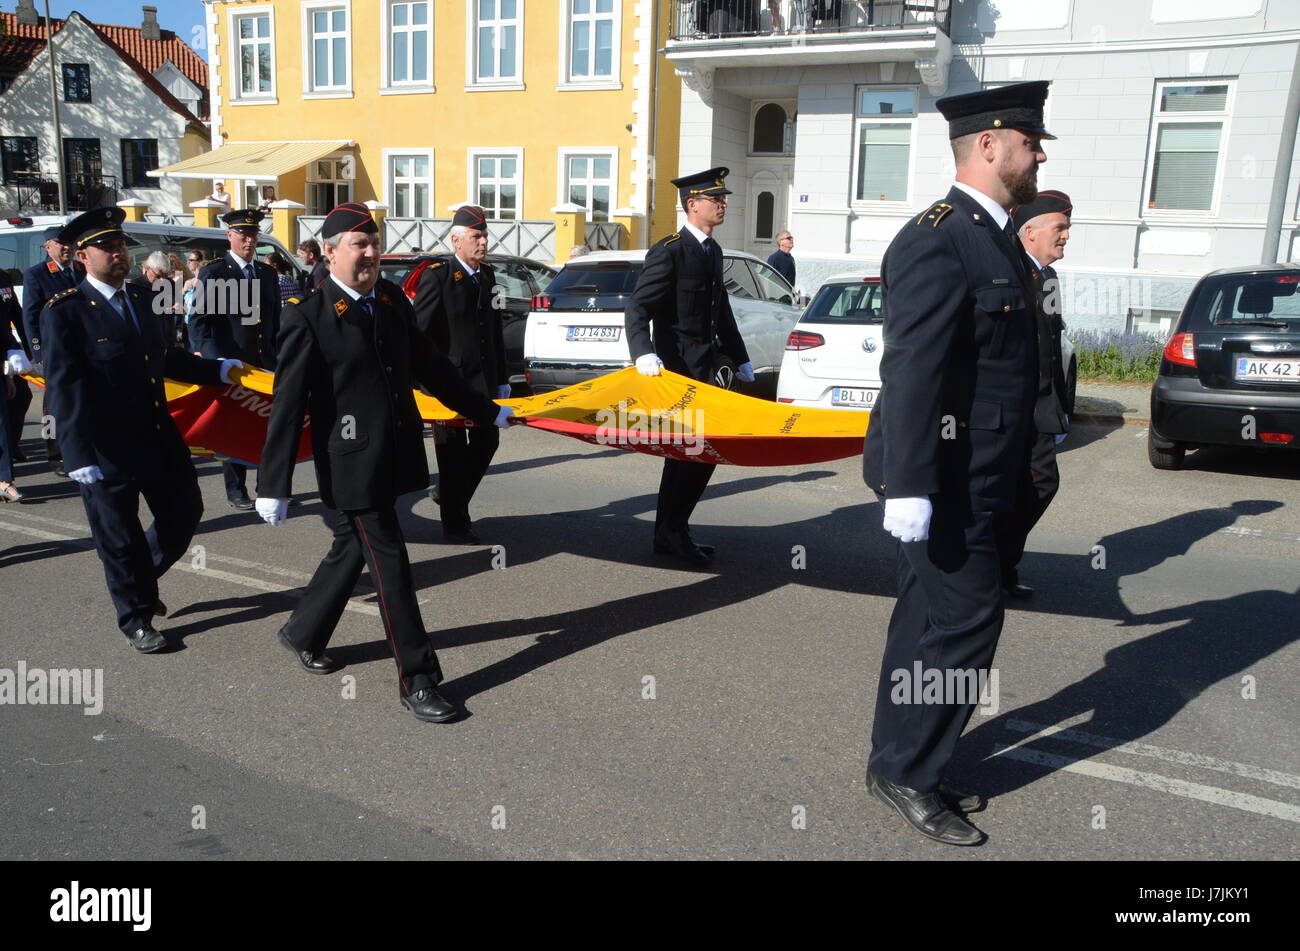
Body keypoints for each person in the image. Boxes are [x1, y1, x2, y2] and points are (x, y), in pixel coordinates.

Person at [860, 81, 1052, 846]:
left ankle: (898, 759)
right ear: (988, 145)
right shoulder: (936, 237)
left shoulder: (998, 234)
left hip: (982, 470)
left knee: (925, 619)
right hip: (941, 476)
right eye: (1030, 141)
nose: (1037, 153)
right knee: (970, 620)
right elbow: (913, 369)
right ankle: (910, 769)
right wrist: (907, 484)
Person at [254, 202, 515, 723]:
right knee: (392, 566)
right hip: (351, 465)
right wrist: (273, 483)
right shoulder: (306, 316)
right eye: (359, 244)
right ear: (329, 254)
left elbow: (433, 368)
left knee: (351, 547)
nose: (371, 253)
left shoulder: (391, 299)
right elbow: (287, 405)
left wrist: (487, 410)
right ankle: (418, 680)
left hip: (393, 454)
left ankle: (302, 630)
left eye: (374, 243)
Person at [39, 207, 241, 652]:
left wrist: (218, 369)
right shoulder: (66, 312)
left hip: (155, 433)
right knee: (119, 536)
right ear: (81, 256)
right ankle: (135, 617)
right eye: (106, 247)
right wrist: (75, 454)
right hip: (104, 445)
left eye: (120, 246)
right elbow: (64, 385)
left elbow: (165, 358)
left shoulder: (140, 299)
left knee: (184, 512)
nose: (118, 254)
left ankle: (140, 583)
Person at [624, 166, 754, 567]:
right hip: (679, 372)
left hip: (709, 371)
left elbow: (721, 310)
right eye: (715, 199)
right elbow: (638, 305)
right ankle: (671, 535)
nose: (723, 205)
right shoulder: (670, 249)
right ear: (692, 204)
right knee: (688, 455)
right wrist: (643, 352)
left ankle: (673, 531)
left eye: (723, 199)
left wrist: (742, 356)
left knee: (698, 456)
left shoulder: (712, 250)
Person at [412, 205, 509, 544]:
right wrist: (425, 382)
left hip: (482, 383)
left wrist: (503, 378)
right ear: (456, 240)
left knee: (488, 441)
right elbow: (419, 334)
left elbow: (494, 330)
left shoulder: (488, 276)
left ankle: (448, 495)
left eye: (484, 235)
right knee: (451, 454)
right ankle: (455, 523)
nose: (483, 242)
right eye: (476, 236)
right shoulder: (437, 276)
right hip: (447, 385)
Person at [994, 190, 1073, 599]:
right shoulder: (1010, 272)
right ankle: (994, 565)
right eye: (1059, 228)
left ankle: (1001, 564)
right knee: (1028, 485)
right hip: (1012, 408)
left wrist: (1060, 407)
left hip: (1041, 406)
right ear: (1029, 231)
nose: (1066, 236)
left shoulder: (1049, 277)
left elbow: (1053, 345)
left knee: (1037, 485)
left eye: (1066, 228)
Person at [190, 208, 281, 510]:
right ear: (230, 236)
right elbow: (200, 323)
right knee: (234, 426)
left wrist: (280, 355)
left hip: (264, 363)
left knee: (267, 427)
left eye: (253, 235)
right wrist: (216, 363)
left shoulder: (267, 274)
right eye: (243, 234)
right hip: (232, 365)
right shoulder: (215, 273)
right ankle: (236, 488)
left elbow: (275, 322)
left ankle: (267, 487)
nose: (249, 240)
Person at [22, 226, 86, 476]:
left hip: (84, 348)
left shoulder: (81, 270)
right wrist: (38, 353)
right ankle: (55, 453)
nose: (67, 247)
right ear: (48, 247)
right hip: (54, 351)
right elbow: (30, 316)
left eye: (70, 242)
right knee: (54, 406)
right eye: (61, 243)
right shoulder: (37, 274)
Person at [2, 268, 33, 462]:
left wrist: (30, 351)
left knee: (22, 396)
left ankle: (11, 444)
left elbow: (16, 314)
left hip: (7, 348)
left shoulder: (3, 277)